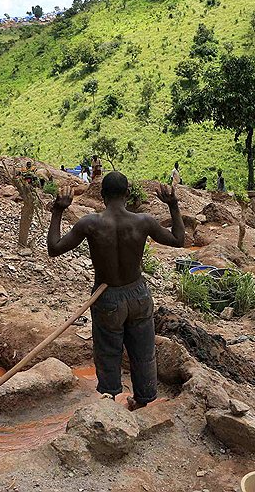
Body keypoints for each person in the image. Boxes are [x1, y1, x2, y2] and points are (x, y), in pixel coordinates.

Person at [47, 172, 184, 409]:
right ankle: (142, 401)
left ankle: (109, 402)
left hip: (107, 296)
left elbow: (54, 248)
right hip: (138, 294)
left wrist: (58, 210)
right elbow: (178, 239)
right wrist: (173, 205)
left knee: (108, 350)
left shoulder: (90, 223)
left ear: (102, 196)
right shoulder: (143, 221)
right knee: (143, 349)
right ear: (128, 194)